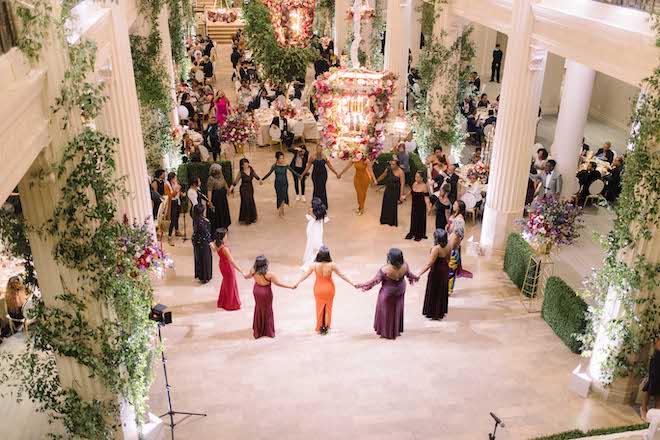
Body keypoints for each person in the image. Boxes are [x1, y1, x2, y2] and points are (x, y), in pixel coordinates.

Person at [356, 248, 419, 340]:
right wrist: (416, 277)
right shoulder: (405, 266)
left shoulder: (385, 269)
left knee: (386, 311)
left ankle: (387, 332)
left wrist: (361, 285)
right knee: (397, 308)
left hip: (388, 293)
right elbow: (410, 275)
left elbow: (374, 281)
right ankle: (396, 329)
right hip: (400, 290)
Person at [295, 246, 354, 334]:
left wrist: (297, 283)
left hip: (318, 289)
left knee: (319, 307)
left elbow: (305, 275)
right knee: (328, 308)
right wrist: (353, 283)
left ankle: (319, 327)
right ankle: (325, 327)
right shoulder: (332, 265)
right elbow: (342, 275)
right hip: (329, 289)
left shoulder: (314, 265)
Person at [244, 255, 295, 339]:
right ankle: (267, 331)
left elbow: (247, 276)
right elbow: (278, 284)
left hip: (256, 291)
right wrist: (290, 286)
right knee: (267, 309)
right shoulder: (269, 274)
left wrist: (243, 274)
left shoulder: (253, 270)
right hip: (265, 293)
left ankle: (258, 329)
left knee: (258, 308)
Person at [418, 229, 454, 320]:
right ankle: (440, 311)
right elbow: (448, 259)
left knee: (434, 290)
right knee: (441, 290)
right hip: (445, 269)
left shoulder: (436, 249)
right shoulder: (449, 245)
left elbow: (429, 264)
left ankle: (433, 312)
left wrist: (419, 273)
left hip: (436, 271)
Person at [262, 151, 301, 218]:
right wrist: (262, 179)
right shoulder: (274, 166)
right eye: (280, 158)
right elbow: (269, 173)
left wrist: (300, 176)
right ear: (277, 159)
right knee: (279, 196)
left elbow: (293, 172)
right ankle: (281, 209)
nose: (282, 160)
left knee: (283, 195)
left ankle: (281, 210)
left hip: (284, 183)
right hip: (277, 183)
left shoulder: (286, 165)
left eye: (283, 158)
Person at [301, 145, 340, 209]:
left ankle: (323, 204)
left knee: (322, 188)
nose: (319, 150)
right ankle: (315, 204)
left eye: (320, 149)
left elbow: (329, 166)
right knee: (316, 188)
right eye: (318, 148)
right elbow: (308, 166)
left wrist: (336, 173)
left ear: (322, 149)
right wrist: (302, 174)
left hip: (323, 174)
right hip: (315, 175)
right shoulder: (312, 157)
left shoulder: (325, 156)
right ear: (316, 149)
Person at [446, 201, 473, 294]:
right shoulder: (454, 215)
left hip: (453, 246)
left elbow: (458, 235)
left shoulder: (459, 219)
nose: (453, 206)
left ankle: (449, 290)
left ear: (459, 207)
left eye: (455, 205)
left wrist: (451, 247)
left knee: (451, 269)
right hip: (448, 241)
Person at [376, 156, 406, 227]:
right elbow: (383, 175)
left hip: (395, 190)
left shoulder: (400, 172)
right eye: (391, 164)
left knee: (392, 205)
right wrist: (376, 181)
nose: (392, 166)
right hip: (388, 188)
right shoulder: (388, 169)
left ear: (397, 165)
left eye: (393, 164)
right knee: (386, 203)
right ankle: (384, 219)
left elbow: (402, 184)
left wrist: (401, 195)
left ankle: (391, 221)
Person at [230, 158, 261, 224]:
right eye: (245, 165)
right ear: (242, 166)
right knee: (245, 202)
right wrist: (231, 188)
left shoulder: (251, 169)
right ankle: (246, 219)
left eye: (247, 164)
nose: (247, 166)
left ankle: (252, 217)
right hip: (243, 189)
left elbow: (255, 175)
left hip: (250, 188)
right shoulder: (241, 172)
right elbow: (236, 181)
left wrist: (259, 180)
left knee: (251, 201)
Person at [301, 198, 329, 271]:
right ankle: (318, 260)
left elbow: (308, 216)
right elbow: (325, 219)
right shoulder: (323, 211)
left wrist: (309, 212)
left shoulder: (312, 211)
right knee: (315, 244)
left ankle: (314, 260)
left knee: (313, 245)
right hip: (317, 228)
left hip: (313, 228)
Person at [405, 171, 432, 241]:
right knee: (413, 218)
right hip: (414, 205)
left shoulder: (424, 187)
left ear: (422, 178)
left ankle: (419, 233)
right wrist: (405, 196)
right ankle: (412, 232)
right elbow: (411, 192)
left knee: (420, 219)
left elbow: (426, 198)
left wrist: (428, 207)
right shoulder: (414, 184)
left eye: (417, 177)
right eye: (415, 177)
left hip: (421, 206)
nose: (416, 178)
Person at [192, 204, 213, 284]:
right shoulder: (202, 222)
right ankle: (205, 276)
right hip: (202, 242)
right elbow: (205, 233)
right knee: (205, 257)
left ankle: (200, 274)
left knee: (198, 257)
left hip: (197, 241)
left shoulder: (196, 219)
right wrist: (210, 241)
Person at [207, 164, 231, 231]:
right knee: (218, 212)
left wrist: (228, 189)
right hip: (216, 198)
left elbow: (224, 182)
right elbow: (209, 191)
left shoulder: (221, 176)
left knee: (224, 210)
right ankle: (218, 227)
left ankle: (224, 225)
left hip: (222, 196)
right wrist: (210, 201)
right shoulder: (210, 179)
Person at [641, 337, 660, 420]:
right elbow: (657, 346)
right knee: (652, 382)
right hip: (658, 361)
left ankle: (656, 411)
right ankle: (643, 408)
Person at [165, 172, 183, 245]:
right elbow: (169, 196)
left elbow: (179, 190)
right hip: (172, 203)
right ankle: (169, 236)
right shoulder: (167, 185)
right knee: (173, 219)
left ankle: (177, 230)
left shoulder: (176, 183)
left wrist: (181, 193)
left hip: (177, 201)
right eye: (174, 178)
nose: (175, 179)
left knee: (177, 217)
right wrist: (176, 191)